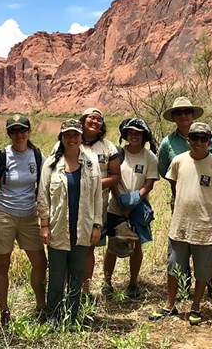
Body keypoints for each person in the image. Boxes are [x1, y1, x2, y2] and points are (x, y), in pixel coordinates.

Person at [148, 122, 212, 326]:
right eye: (195, 138)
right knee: (173, 267)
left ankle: (196, 307)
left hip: (204, 226)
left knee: (203, 270)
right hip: (180, 225)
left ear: (210, 142)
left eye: (203, 139)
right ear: (188, 140)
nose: (199, 142)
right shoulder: (178, 161)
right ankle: (169, 304)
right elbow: (175, 186)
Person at [37, 119, 103, 327]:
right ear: (62, 138)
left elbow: (97, 197)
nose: (72, 139)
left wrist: (96, 225)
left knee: (77, 275)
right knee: (56, 276)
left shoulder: (91, 164)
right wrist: (44, 225)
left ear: (81, 137)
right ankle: (53, 316)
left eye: (75, 135)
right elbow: (43, 196)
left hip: (82, 228)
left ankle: (72, 317)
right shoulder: (51, 164)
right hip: (58, 228)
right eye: (67, 135)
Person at [157, 96, 212, 297]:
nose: (183, 115)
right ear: (174, 117)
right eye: (179, 112)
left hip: (208, 202)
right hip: (181, 199)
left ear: (193, 114)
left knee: (211, 243)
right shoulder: (167, 143)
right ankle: (184, 288)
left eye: (187, 111)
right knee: (181, 242)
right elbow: (165, 171)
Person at [0, 114, 47, 325]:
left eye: (22, 131)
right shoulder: (0, 157)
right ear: (9, 134)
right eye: (14, 131)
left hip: (29, 215)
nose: (19, 135)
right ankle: (4, 311)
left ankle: (41, 305)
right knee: (3, 264)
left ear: (29, 131)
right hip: (4, 215)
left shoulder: (38, 156)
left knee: (40, 262)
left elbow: (44, 187)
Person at [102, 118, 159, 300]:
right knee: (112, 246)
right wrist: (120, 200)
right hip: (115, 207)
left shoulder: (150, 157)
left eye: (138, 133)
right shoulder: (117, 154)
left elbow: (149, 183)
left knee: (136, 246)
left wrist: (134, 201)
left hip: (137, 207)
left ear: (144, 136)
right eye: (131, 133)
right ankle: (107, 282)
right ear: (125, 135)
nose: (134, 136)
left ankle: (133, 283)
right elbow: (112, 178)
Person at [77, 108, 121, 298]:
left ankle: (85, 290)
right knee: (69, 246)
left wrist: (92, 184)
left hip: (97, 206)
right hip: (71, 204)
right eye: (91, 118)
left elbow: (115, 176)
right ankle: (68, 288)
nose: (95, 122)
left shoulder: (109, 147)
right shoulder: (71, 140)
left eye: (99, 120)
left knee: (89, 248)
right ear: (83, 120)